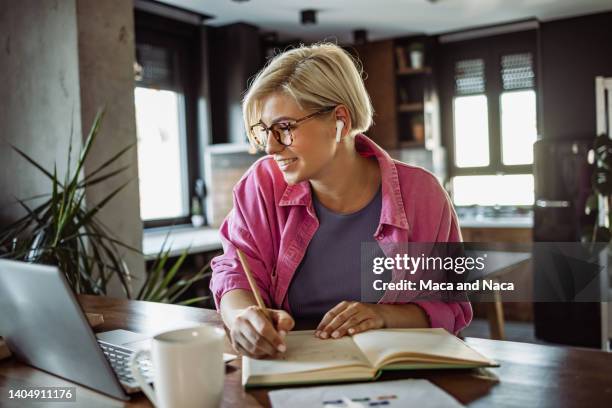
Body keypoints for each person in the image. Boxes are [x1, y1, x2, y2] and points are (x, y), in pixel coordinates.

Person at [210, 42, 472, 359]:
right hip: (290, 366)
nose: (270, 147)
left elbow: (452, 305)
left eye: (284, 128)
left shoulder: (422, 194)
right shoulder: (261, 185)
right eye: (264, 131)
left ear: (340, 122)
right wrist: (242, 317)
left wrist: (383, 317)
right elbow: (234, 272)